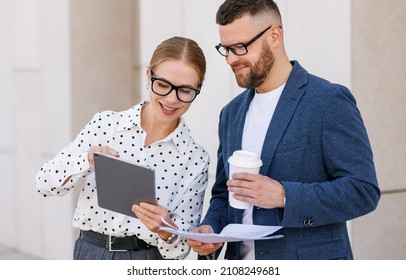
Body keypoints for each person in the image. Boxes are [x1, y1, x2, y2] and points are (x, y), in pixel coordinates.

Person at [187, 0, 380, 260]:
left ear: (274, 36)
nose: (231, 59)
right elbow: (224, 192)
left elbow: (362, 191)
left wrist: (285, 195)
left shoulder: (327, 100)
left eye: (240, 47)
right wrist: (212, 230)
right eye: (226, 49)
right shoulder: (230, 113)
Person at [35, 36, 210, 260]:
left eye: (185, 90)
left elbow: (180, 251)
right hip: (91, 254)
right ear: (148, 76)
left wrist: (167, 231)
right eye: (163, 85)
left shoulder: (195, 158)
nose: (171, 99)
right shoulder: (105, 124)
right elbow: (43, 184)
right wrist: (87, 161)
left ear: (197, 89)